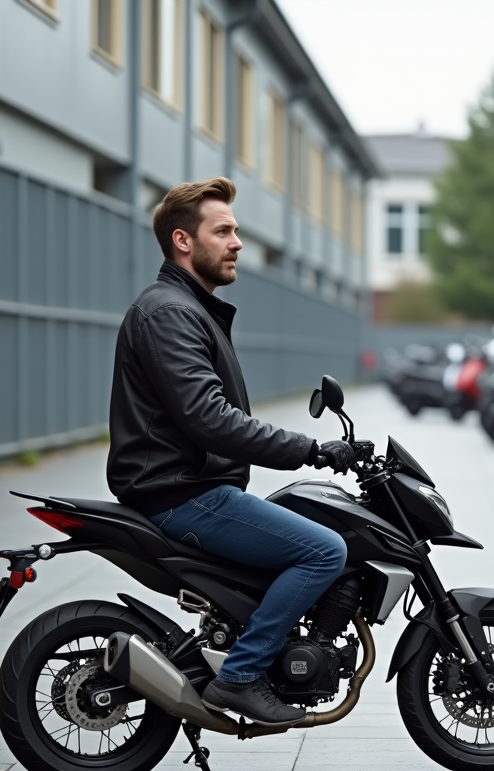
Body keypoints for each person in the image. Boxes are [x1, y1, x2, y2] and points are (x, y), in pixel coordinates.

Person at [106, 177, 355, 727]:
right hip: (181, 493)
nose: (237, 242)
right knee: (324, 551)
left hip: (190, 485)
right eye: (223, 231)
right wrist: (312, 449)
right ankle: (239, 678)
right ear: (183, 241)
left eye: (235, 230)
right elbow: (211, 419)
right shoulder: (169, 312)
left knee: (303, 521)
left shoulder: (187, 307)